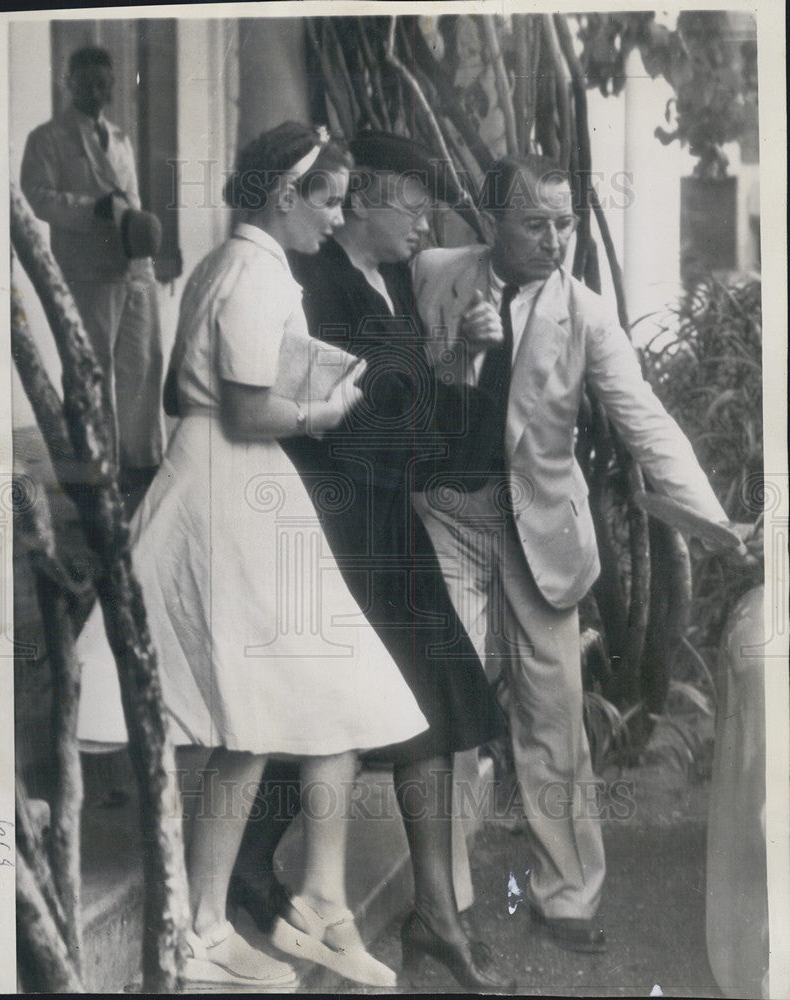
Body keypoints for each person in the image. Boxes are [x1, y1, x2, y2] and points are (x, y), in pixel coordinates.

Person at [75, 122, 429, 989]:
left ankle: (308, 903)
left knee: (317, 687)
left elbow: (175, 391)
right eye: (329, 203)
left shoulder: (217, 266)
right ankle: (201, 927)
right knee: (249, 710)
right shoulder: (259, 275)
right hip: (230, 488)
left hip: (232, 481)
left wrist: (285, 395)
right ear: (285, 196)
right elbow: (242, 413)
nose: (333, 220)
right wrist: (321, 411)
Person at [411, 153, 754, 953]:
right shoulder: (432, 271)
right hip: (448, 516)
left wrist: (714, 524)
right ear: (491, 219)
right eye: (536, 223)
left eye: (565, 222)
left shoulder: (586, 315)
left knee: (553, 713)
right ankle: (445, 900)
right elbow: (402, 386)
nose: (556, 240)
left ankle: (566, 898)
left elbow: (643, 422)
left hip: (542, 531)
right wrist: (456, 351)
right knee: (443, 701)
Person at [229, 132, 515, 992]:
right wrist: (452, 386)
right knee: (333, 721)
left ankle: (436, 916)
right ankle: (247, 871)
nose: (425, 222)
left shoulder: (385, 281)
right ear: (355, 206)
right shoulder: (308, 285)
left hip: (384, 524)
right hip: (334, 527)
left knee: (427, 712)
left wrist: (469, 360)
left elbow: (418, 422)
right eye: (412, 205)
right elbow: (332, 415)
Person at [20, 46, 163, 509]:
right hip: (86, 270)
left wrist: (141, 233)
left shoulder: (119, 138)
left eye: (105, 83)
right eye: (87, 83)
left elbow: (134, 197)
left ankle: (140, 465)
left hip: (133, 267)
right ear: (69, 82)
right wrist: (93, 210)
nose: (97, 91)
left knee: (142, 363)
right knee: (90, 368)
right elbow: (37, 198)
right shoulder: (47, 138)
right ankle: (93, 470)